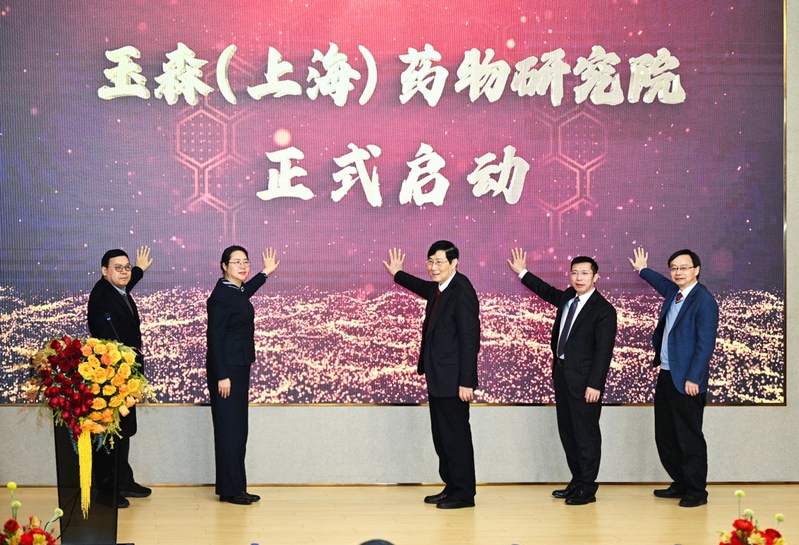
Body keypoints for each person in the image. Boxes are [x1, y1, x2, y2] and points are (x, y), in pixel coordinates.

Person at [507, 248, 617, 505]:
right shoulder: (568, 296)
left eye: (585, 273)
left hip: (585, 383)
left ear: (596, 277)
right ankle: (576, 481)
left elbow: (603, 353)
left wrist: (595, 385)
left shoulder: (604, 310)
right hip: (562, 374)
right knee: (568, 433)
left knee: (586, 435)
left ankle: (587, 487)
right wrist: (522, 272)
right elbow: (546, 291)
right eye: (575, 273)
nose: (579, 278)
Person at [383, 241, 480, 509]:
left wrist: (466, 382)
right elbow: (422, 287)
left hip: (454, 381)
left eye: (439, 262)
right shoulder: (440, 288)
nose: (433, 267)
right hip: (439, 379)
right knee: (443, 437)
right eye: (430, 261)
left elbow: (470, 340)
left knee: (456, 438)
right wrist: (398, 273)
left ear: (454, 262)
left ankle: (464, 494)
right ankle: (452, 486)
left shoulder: (462, 291)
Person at [628, 247, 718, 508]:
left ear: (696, 270)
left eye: (684, 267)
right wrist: (642, 269)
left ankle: (697, 491)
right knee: (666, 435)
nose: (678, 272)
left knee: (689, 437)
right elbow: (660, 282)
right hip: (667, 374)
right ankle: (680, 482)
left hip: (687, 380)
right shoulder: (674, 293)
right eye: (674, 268)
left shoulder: (704, 300)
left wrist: (694, 378)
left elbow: (705, 345)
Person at [206, 245, 280, 505]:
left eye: (245, 262)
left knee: (238, 429)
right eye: (236, 262)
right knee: (229, 430)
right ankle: (230, 490)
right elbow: (214, 339)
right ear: (224, 266)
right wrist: (221, 375)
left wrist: (265, 273)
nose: (242, 266)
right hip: (227, 373)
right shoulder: (220, 297)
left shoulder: (234, 291)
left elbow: (245, 293)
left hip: (238, 367)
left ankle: (236, 487)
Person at [87, 246, 154, 508]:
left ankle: (123, 481)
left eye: (127, 267)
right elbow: (109, 339)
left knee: (123, 431)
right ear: (104, 271)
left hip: (126, 376)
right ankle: (106, 491)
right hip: (112, 378)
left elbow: (126, 284)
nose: (125, 272)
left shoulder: (116, 290)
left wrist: (139, 270)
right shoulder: (101, 297)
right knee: (110, 435)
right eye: (119, 268)